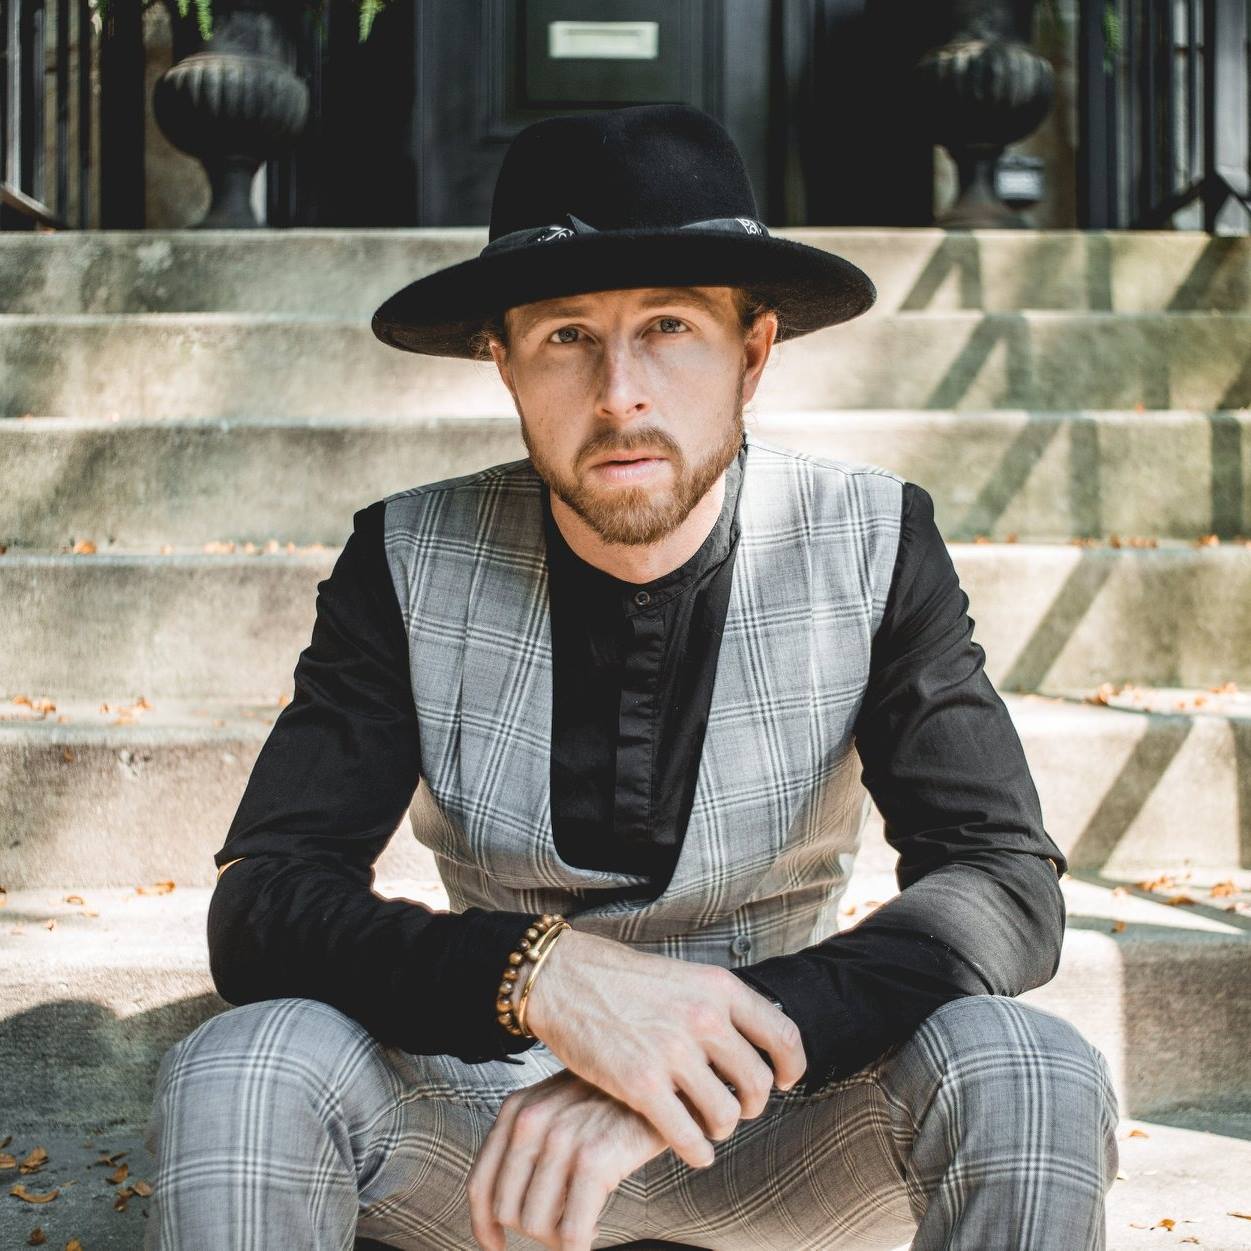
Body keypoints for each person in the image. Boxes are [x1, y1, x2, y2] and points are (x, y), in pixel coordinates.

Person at [145, 103, 1119, 1251]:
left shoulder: (871, 536)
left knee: (1029, 1067)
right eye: (565, 336)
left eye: (667, 327)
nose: (620, 395)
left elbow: (1002, 882)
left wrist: (705, 1044)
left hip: (783, 1122)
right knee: (243, 1071)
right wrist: (540, 978)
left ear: (752, 353)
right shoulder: (404, 555)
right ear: (500, 357)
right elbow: (266, 908)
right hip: (491, 1125)